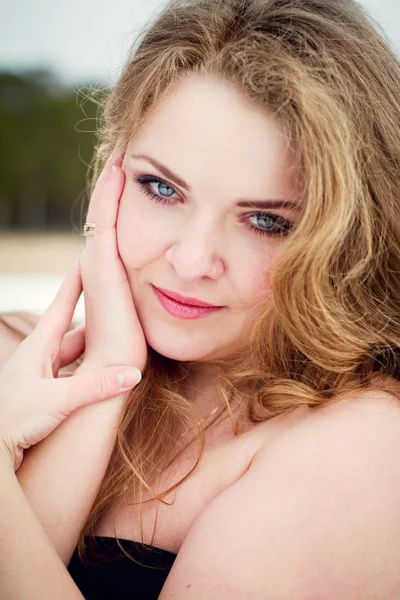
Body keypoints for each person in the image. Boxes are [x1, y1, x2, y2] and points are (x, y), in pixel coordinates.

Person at [1, 0, 399, 597]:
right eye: (161, 188)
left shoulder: (362, 449)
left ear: (349, 240)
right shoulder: (22, 354)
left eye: (265, 221)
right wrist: (110, 366)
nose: (191, 261)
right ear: (112, 174)